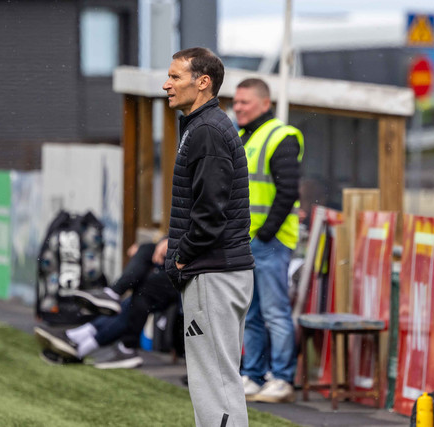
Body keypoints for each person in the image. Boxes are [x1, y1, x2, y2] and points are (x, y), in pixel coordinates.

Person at [162, 47, 254, 427]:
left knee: (216, 386)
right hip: (220, 271)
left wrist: (181, 258)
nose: (166, 84)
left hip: (213, 273)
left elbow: (209, 213)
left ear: (203, 82)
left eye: (175, 77)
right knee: (218, 382)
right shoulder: (205, 126)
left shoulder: (207, 131)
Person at [233, 78, 304, 403]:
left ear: (265, 103)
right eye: (236, 102)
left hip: (270, 241)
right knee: (252, 313)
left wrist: (265, 232)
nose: (238, 107)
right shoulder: (244, 136)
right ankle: (253, 375)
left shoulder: (280, 136)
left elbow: (288, 191)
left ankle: (282, 379)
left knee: (274, 312)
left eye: (245, 102)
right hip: (248, 241)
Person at [34, 237, 181, 369]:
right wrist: (166, 241)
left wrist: (173, 243)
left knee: (146, 288)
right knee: (147, 249)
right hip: (181, 261)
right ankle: (80, 336)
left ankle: (82, 345)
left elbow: (192, 234)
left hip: (188, 275)